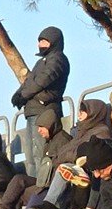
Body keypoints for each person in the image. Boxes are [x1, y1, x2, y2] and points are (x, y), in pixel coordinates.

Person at [10, 28, 71, 181]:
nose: (40, 44)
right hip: (32, 112)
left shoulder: (58, 59)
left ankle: (42, 187)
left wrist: (24, 95)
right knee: (31, 157)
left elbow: (44, 79)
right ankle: (33, 189)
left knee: (41, 154)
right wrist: (18, 94)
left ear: (54, 41)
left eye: (44, 41)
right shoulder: (40, 62)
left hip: (45, 112)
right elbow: (30, 81)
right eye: (39, 41)